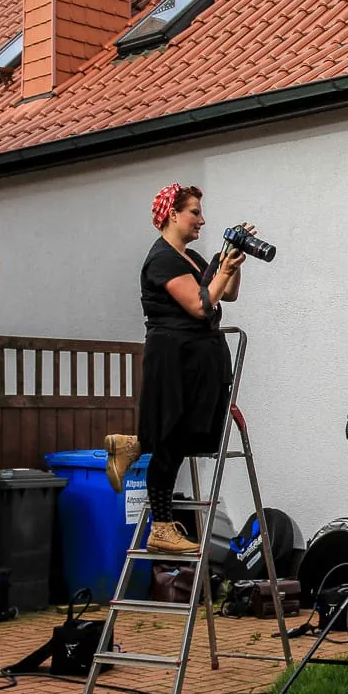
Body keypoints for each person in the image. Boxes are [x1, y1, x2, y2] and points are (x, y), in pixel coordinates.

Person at [103, 183, 254, 553]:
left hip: (197, 360)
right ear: (172, 214)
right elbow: (201, 305)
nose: (201, 220)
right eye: (194, 213)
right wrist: (221, 270)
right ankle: (161, 527)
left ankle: (134, 445)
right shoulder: (162, 260)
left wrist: (231, 263)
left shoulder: (192, 258)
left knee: (191, 433)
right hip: (174, 359)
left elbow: (227, 294)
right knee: (172, 437)